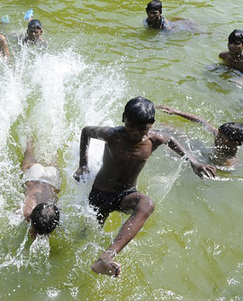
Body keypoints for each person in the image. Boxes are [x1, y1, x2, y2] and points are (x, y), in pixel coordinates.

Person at [73, 97, 215, 277]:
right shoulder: (112, 135)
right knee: (88, 233)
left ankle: (106, 258)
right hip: (101, 194)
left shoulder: (153, 139)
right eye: (131, 126)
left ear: (150, 125)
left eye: (142, 129)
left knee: (147, 204)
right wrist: (83, 165)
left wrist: (194, 162)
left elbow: (170, 140)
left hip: (126, 194)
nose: (135, 133)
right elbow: (86, 132)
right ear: (123, 118)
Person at [157, 105, 243, 167]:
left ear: (233, 144)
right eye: (218, 134)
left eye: (221, 137)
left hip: (204, 158)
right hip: (203, 149)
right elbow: (201, 121)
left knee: (171, 151)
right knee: (169, 127)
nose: (217, 137)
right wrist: (176, 112)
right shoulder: (222, 137)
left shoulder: (227, 162)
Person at [21, 138, 60, 237]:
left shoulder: (28, 212)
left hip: (52, 178)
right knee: (27, 163)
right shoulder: (28, 212)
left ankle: (33, 140)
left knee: (51, 160)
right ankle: (30, 140)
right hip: (35, 177)